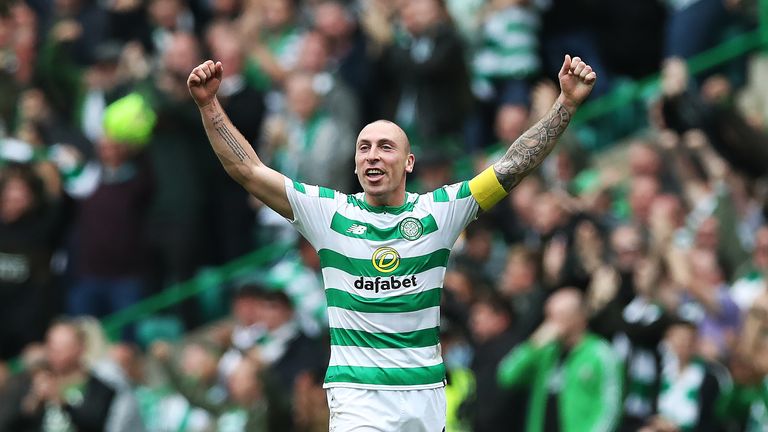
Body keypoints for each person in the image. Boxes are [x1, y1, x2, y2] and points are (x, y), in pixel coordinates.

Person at [187, 52, 596, 430]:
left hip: (424, 397)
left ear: (409, 162)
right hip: (358, 397)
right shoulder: (329, 213)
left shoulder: (440, 211)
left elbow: (512, 166)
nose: (372, 156)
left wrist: (565, 105)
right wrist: (209, 106)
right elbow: (249, 171)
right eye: (364, 148)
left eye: (385, 147)